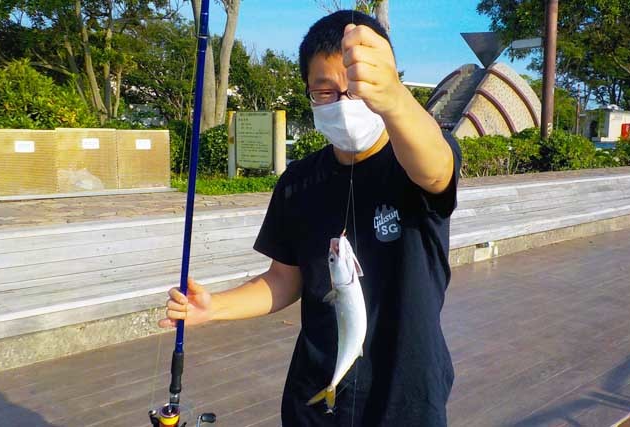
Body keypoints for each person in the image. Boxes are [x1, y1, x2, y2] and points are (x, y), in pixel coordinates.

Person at [160, 10, 462, 426]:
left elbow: (436, 168)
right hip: (315, 402)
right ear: (309, 94)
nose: (343, 103)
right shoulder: (298, 182)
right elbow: (283, 279)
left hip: (406, 399)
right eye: (325, 92)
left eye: (356, 89)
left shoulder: (415, 159)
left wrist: (394, 97)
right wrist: (213, 308)